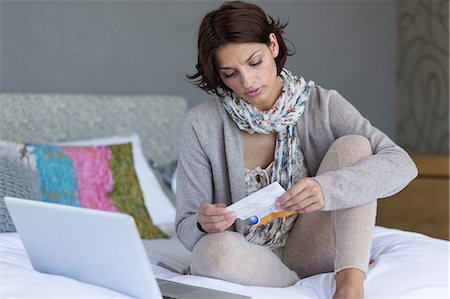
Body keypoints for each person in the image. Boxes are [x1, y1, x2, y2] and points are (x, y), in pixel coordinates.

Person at [175, 1, 418, 298]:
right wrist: (203, 222)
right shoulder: (201, 125)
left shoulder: (322, 104)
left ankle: (349, 286)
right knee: (211, 252)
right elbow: (187, 229)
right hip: (250, 257)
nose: (247, 81)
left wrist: (326, 189)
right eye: (230, 74)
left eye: (254, 62)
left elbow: (402, 164)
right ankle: (297, 287)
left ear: (273, 45)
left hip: (314, 244)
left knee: (355, 147)